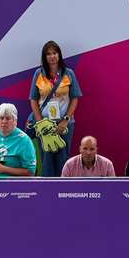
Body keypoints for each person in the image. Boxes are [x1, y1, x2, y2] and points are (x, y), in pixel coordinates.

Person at [28, 40, 82, 175]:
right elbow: (33, 99)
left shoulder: (68, 73)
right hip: (45, 124)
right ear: (44, 57)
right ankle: (47, 192)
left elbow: (75, 98)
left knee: (63, 159)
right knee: (46, 159)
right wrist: (41, 122)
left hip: (64, 124)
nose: (52, 56)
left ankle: (62, 191)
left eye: (54, 53)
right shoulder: (38, 74)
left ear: (59, 55)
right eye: (48, 54)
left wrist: (66, 120)